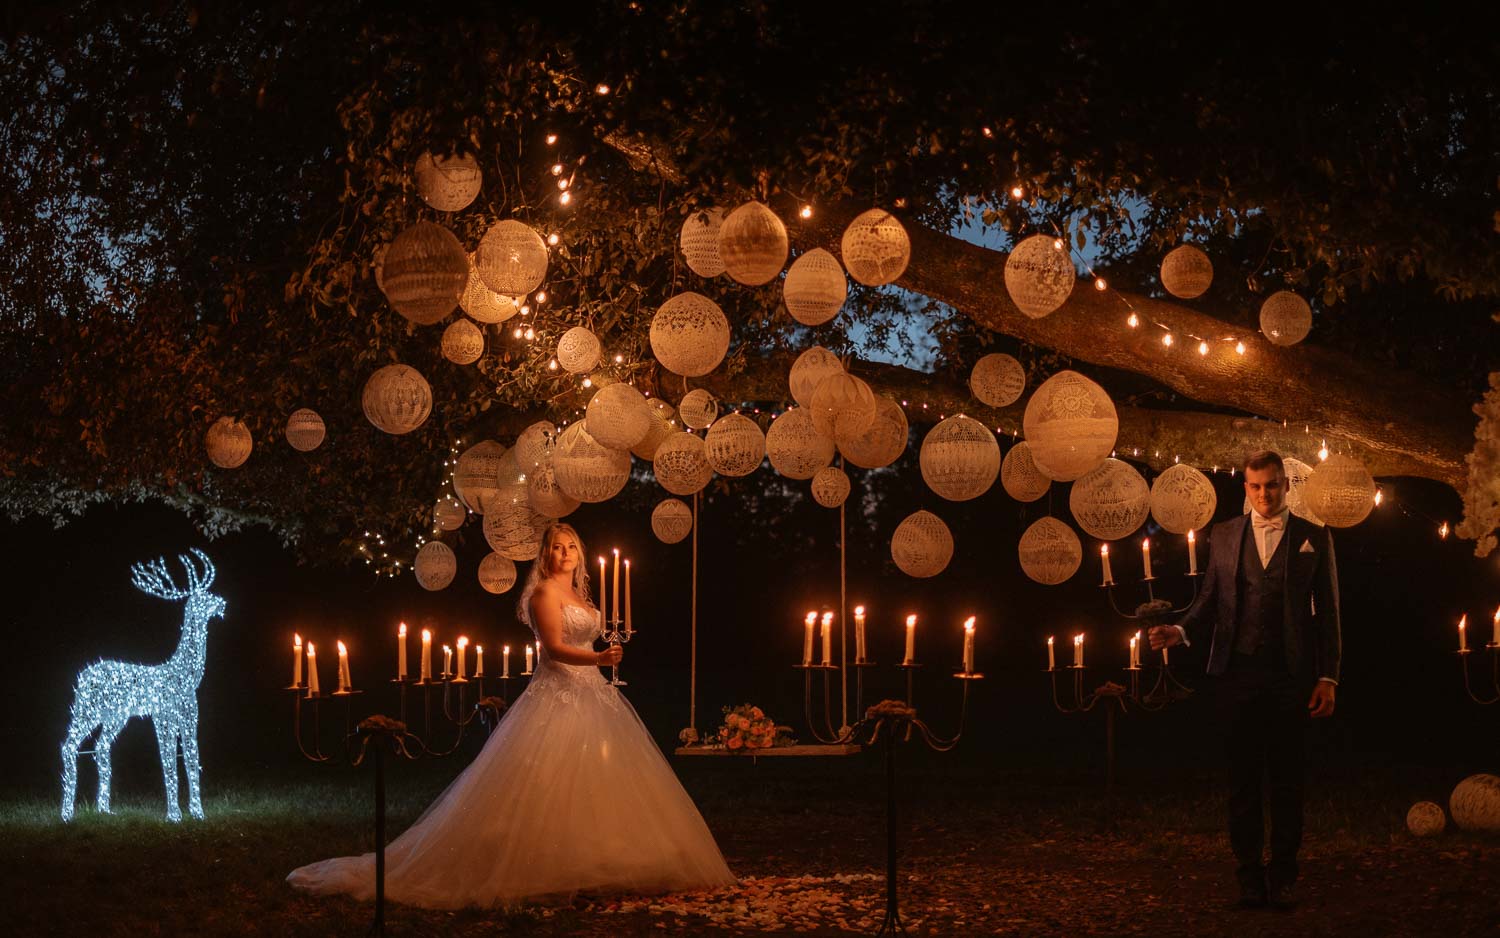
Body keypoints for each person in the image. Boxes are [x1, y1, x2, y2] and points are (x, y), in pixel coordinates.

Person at [288, 522, 734, 908]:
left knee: (603, 778)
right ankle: (546, 864)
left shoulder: (578, 591)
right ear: (545, 554)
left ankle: (604, 860)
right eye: (556, 546)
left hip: (594, 696)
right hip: (557, 693)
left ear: (580, 555)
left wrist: (598, 661)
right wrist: (597, 659)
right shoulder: (543, 593)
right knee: (549, 780)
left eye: (571, 546)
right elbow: (555, 650)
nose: (564, 553)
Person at [1149, 450, 1340, 911]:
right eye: (1254, 487)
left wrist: (1328, 677)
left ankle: (1284, 875)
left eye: (1271, 485)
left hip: (1291, 677)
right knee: (1241, 781)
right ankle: (1249, 876)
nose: (1263, 494)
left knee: (1287, 781)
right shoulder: (1226, 533)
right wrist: (1180, 630)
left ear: (1286, 486)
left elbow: (1330, 614)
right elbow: (1209, 599)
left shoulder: (1314, 537)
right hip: (1235, 674)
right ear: (1246, 489)